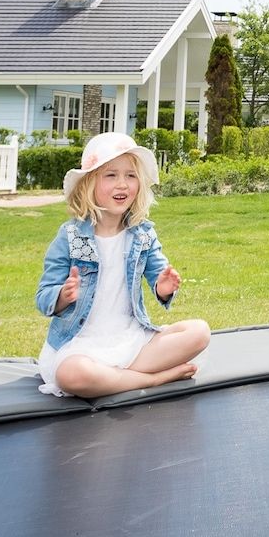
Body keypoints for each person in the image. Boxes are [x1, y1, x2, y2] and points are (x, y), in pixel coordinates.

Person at [33, 131, 209, 398]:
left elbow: (159, 277)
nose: (123, 184)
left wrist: (164, 287)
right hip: (81, 346)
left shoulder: (143, 234)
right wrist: (62, 296)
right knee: (72, 375)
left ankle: (118, 378)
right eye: (111, 175)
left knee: (200, 332)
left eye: (130, 175)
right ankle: (155, 379)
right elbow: (43, 295)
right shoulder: (70, 236)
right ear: (89, 184)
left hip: (131, 340)